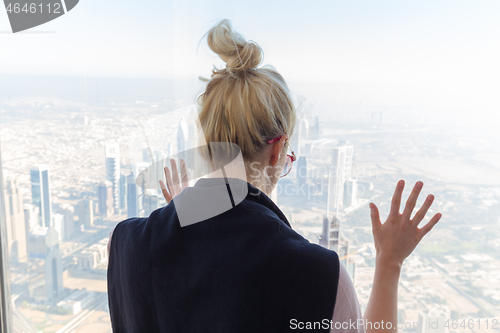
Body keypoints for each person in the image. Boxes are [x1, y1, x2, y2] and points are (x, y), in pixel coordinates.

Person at [107, 19, 442, 332]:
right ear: (278, 150)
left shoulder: (123, 244)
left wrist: (184, 213)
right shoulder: (318, 275)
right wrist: (389, 263)